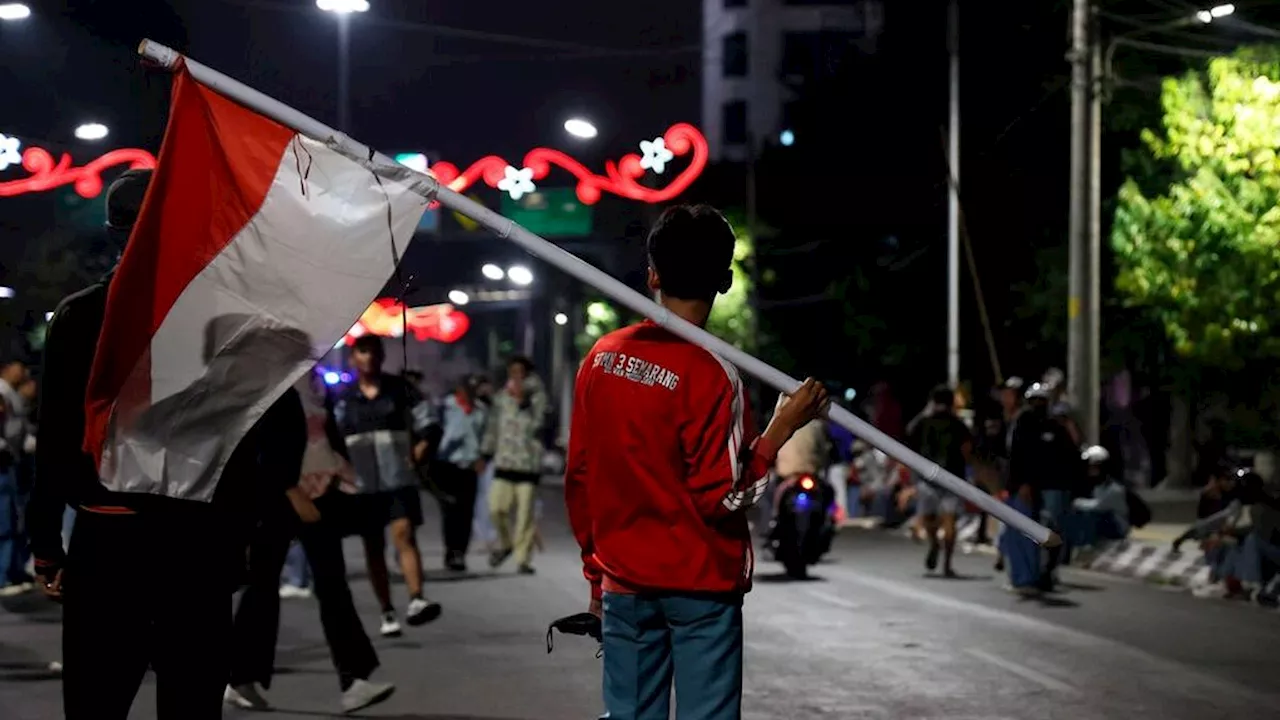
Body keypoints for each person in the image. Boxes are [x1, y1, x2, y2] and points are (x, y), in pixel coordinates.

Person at [565, 204, 829, 720]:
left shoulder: (602, 357)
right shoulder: (715, 375)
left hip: (624, 582)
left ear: (652, 274)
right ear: (725, 281)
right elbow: (723, 496)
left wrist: (597, 577)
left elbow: (580, 476)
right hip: (700, 589)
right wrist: (781, 428)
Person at [224, 383, 395, 714]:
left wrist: (339, 474)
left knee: (332, 583)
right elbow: (263, 447)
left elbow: (325, 438)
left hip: (322, 493)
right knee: (263, 584)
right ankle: (240, 677)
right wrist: (291, 491)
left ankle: (355, 680)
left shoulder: (315, 387)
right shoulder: (273, 384)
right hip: (280, 498)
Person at [331, 334, 442, 637]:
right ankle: (386, 610)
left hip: (398, 478)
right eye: (363, 352)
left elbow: (429, 420)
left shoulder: (401, 389)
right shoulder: (342, 397)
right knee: (374, 546)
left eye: (374, 352)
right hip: (362, 484)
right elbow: (331, 437)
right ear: (354, 358)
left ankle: (417, 598)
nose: (369, 358)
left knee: (404, 533)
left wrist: (423, 445)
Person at [1008, 382, 1081, 592]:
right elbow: (1018, 455)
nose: (1038, 405)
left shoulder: (1056, 426)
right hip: (1029, 488)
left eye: (1042, 400)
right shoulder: (1023, 423)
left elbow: (1071, 454)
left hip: (1053, 488)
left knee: (1052, 531)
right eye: (1035, 401)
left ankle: (1047, 572)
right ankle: (1026, 575)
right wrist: (1021, 484)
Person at [480, 356, 548, 574]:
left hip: (528, 464)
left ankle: (523, 560)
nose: (516, 375)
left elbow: (540, 424)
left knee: (525, 516)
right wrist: (485, 452)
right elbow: (493, 426)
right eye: (513, 371)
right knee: (496, 509)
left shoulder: (538, 397)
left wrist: (523, 400)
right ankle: (506, 543)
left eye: (521, 371)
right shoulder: (501, 398)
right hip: (504, 461)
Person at [899, 385, 973, 577]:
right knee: (950, 521)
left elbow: (909, 437)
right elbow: (967, 448)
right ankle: (947, 563)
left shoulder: (924, 420)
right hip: (952, 477)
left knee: (928, 518)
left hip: (927, 476)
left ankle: (934, 544)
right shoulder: (957, 423)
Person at [434, 375, 488, 571]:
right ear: (459, 390)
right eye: (467, 389)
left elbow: (485, 436)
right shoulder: (447, 407)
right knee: (449, 511)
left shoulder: (481, 410)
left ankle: (460, 553)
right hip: (448, 464)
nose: (470, 393)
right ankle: (450, 550)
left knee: (466, 512)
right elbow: (437, 434)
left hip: (470, 466)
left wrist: (483, 457)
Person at [1069, 445, 1130, 551]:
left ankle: (1088, 546)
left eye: (1093, 466)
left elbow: (1099, 506)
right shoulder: (1097, 485)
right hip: (1107, 522)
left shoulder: (1114, 489)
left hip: (1118, 527)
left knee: (1091, 514)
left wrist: (1077, 503)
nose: (1090, 469)